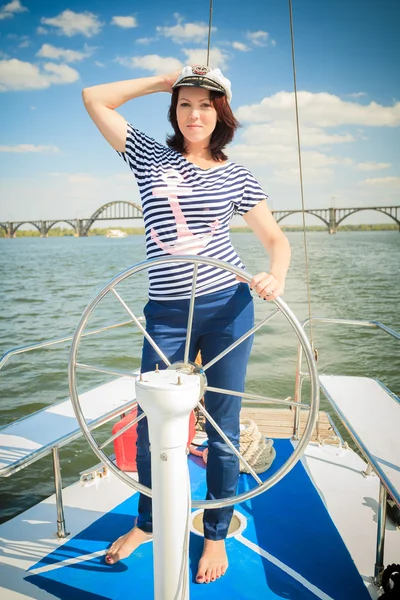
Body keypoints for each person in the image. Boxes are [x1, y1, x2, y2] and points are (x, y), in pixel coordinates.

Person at [82, 65, 291, 584]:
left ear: (221, 113)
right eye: (184, 104)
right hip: (166, 313)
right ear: (174, 111)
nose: (194, 114)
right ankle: (149, 523)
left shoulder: (238, 175)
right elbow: (94, 98)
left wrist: (275, 276)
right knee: (153, 426)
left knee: (220, 427)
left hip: (227, 308)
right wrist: (162, 80)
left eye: (205, 104)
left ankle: (215, 534)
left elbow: (276, 242)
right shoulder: (150, 154)